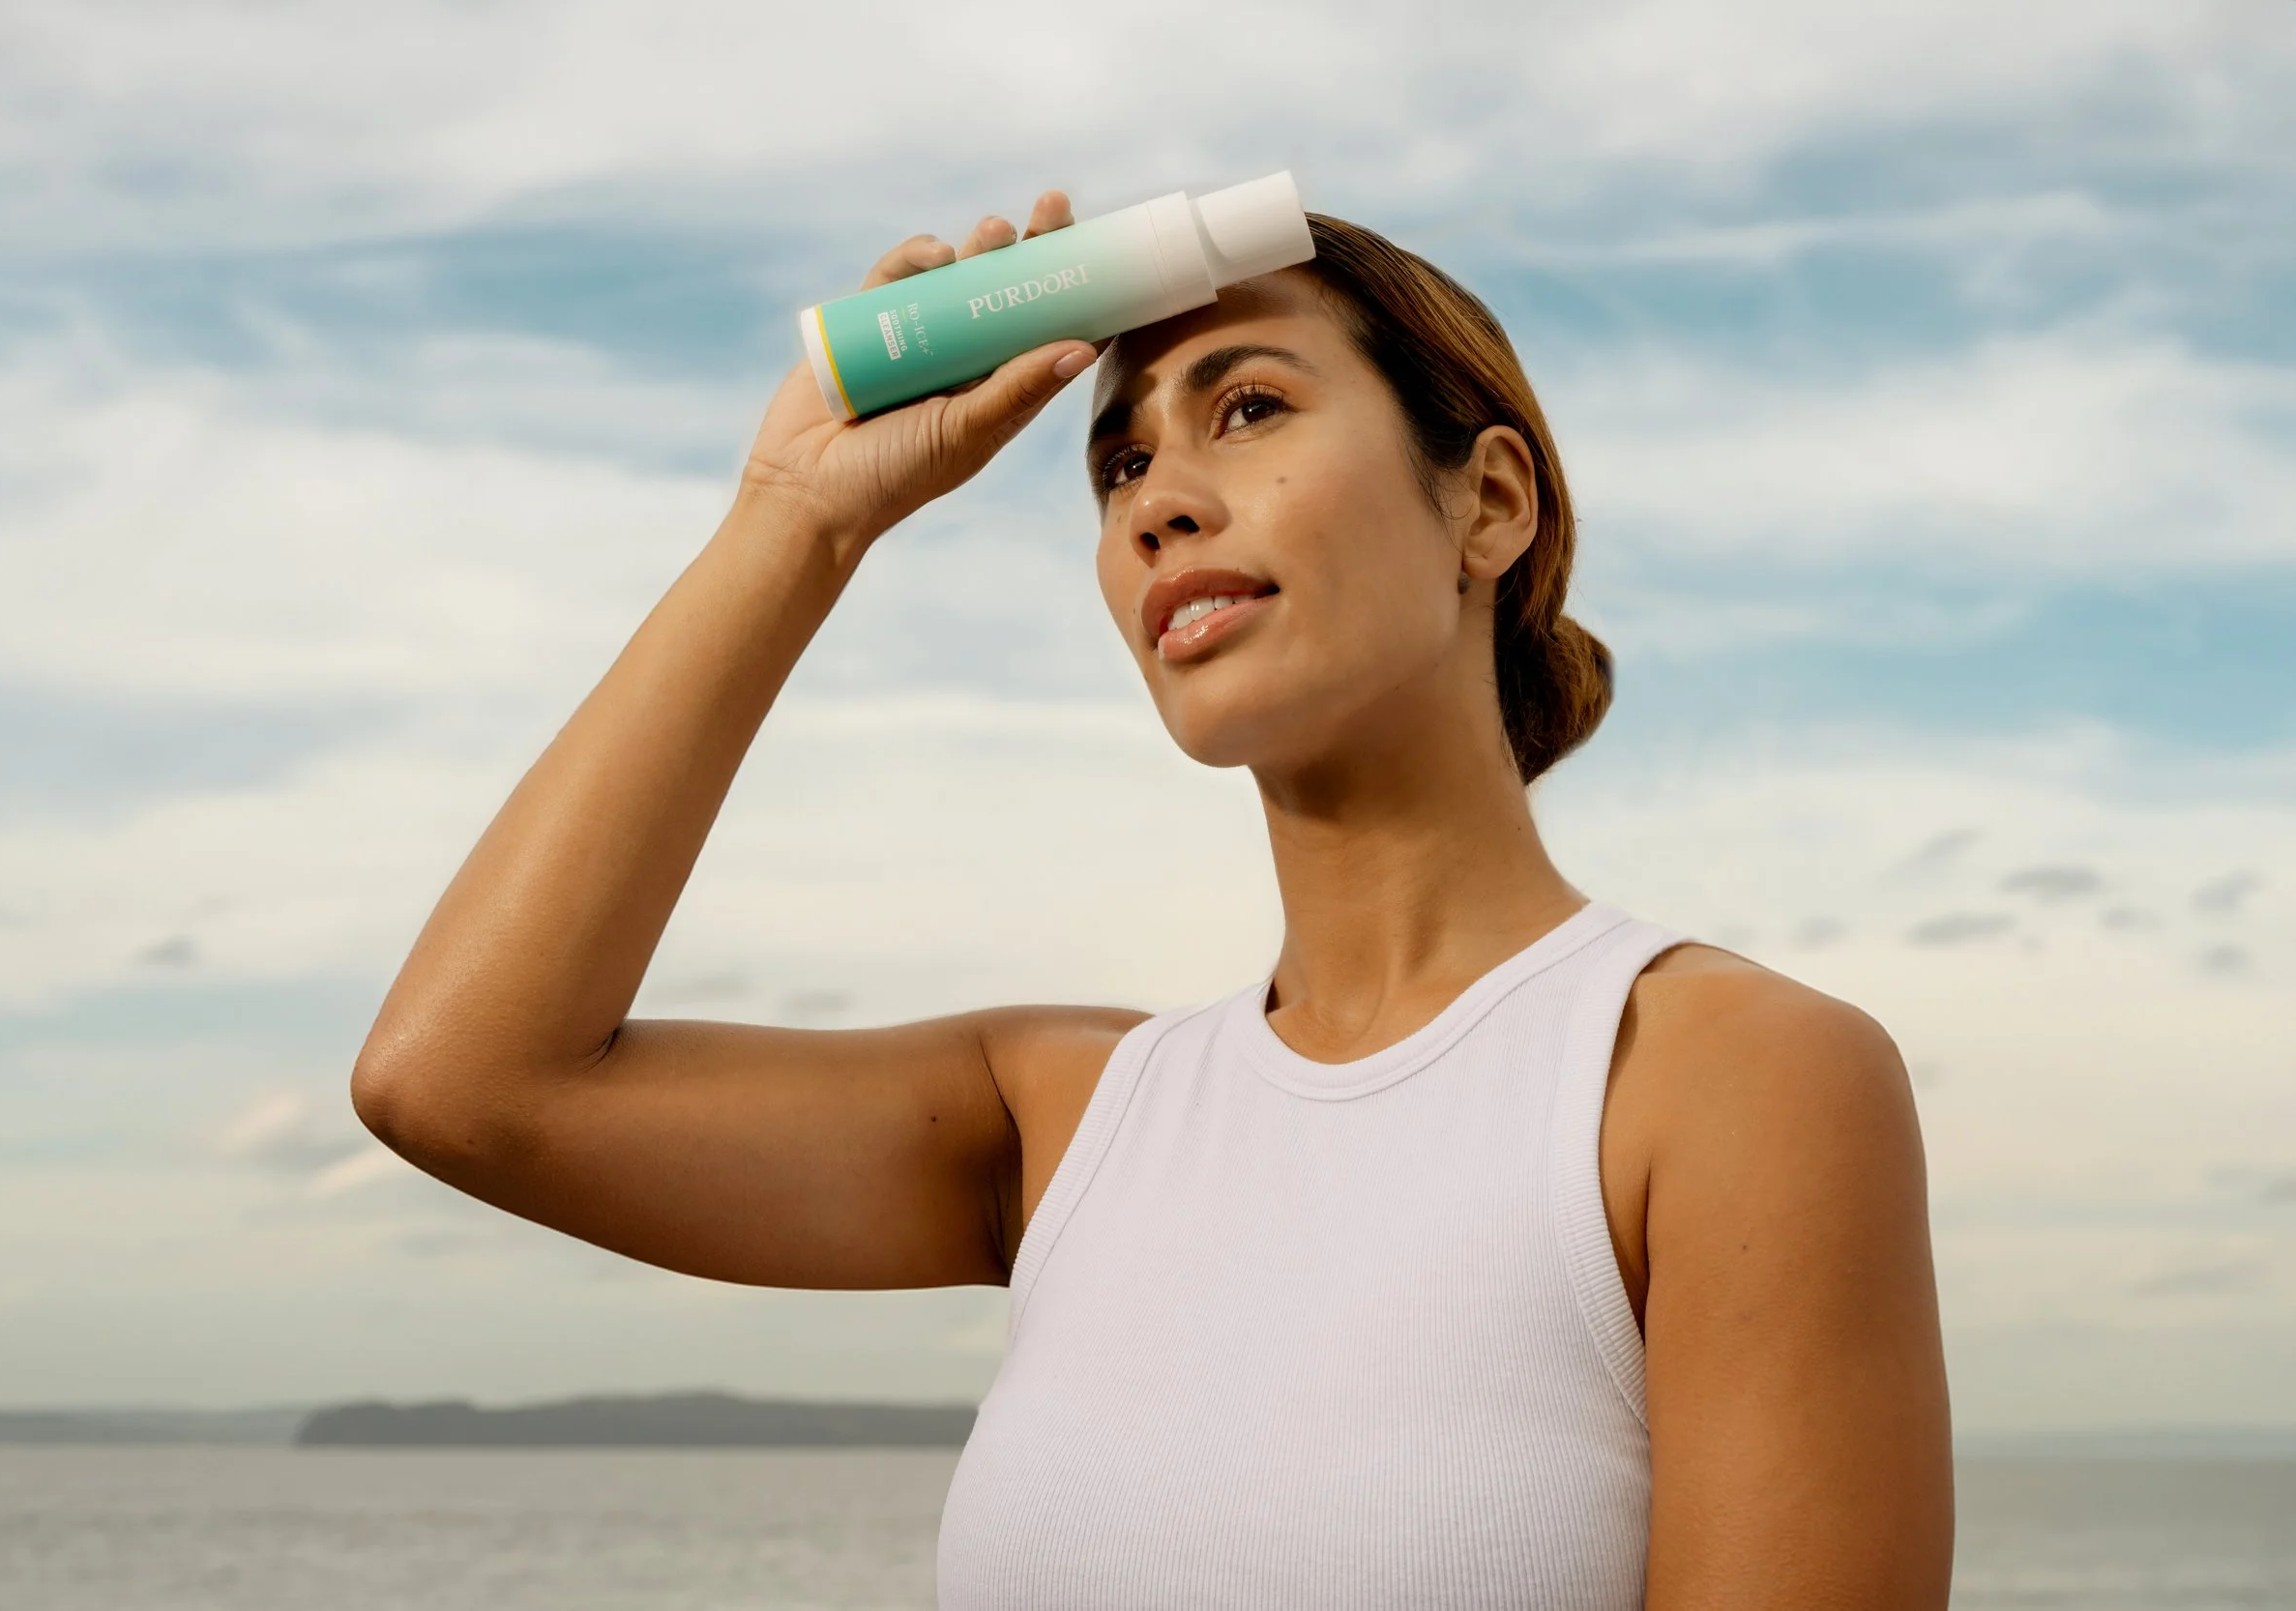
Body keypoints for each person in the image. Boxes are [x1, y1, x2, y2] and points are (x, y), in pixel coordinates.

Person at [352, 190, 1953, 1608]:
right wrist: (801, 514)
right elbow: (464, 1081)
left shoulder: (1722, 1076)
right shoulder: (1067, 1117)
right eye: (1121, 461)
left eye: (1247, 406)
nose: (1157, 498)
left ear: (1489, 505)